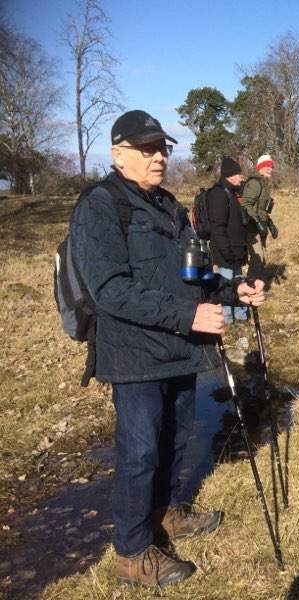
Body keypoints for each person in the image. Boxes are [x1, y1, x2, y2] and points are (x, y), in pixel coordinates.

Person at [70, 110, 266, 588]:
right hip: (135, 354)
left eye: (163, 148)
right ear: (118, 154)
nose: (159, 156)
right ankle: (132, 552)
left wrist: (231, 290)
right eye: (146, 148)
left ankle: (165, 513)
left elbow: (193, 273)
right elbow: (110, 289)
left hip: (179, 348)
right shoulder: (99, 206)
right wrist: (188, 316)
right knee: (140, 452)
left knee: (176, 437)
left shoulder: (170, 207)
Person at [208, 157, 249, 323]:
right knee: (226, 285)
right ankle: (227, 319)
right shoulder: (218, 194)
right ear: (230, 175)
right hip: (226, 253)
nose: (241, 177)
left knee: (238, 283)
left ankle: (240, 317)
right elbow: (218, 227)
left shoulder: (231, 192)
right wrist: (226, 252)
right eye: (239, 174)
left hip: (235, 251)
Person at [241, 153, 276, 282]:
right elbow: (245, 204)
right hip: (251, 227)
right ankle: (250, 287)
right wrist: (257, 221)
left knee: (260, 259)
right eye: (267, 167)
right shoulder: (255, 183)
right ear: (261, 167)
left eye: (271, 167)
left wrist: (270, 224)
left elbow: (262, 209)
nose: (270, 169)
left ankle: (256, 287)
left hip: (259, 226)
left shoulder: (264, 183)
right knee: (257, 258)